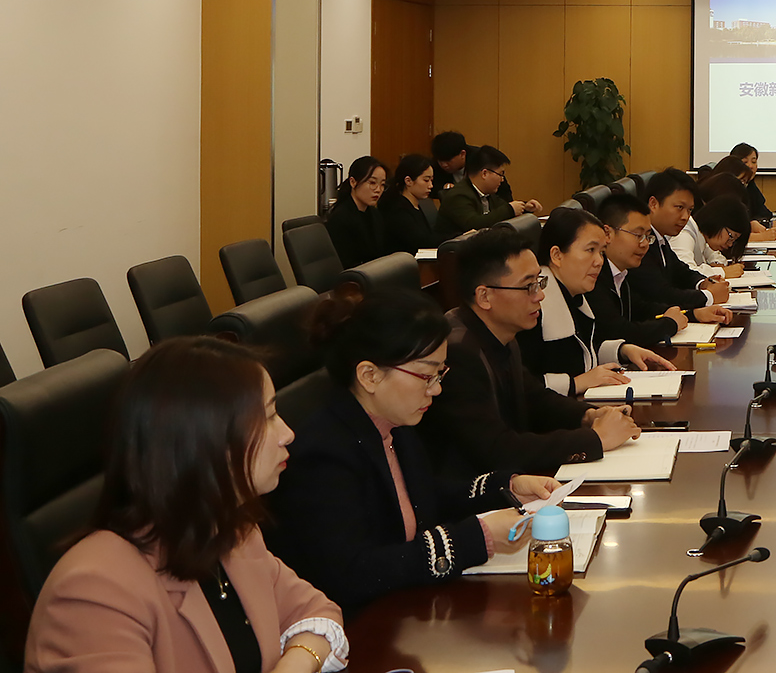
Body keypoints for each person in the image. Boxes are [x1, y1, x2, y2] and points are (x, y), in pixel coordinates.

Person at [25, 336, 348, 673]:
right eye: (267, 416)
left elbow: (318, 614)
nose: (287, 433)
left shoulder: (233, 531)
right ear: (205, 441)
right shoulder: (94, 592)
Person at [266, 290, 561, 616]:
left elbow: (422, 497)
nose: (436, 388)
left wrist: (507, 486)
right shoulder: (323, 454)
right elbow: (352, 573)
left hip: (406, 609)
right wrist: (477, 538)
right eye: (426, 375)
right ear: (369, 375)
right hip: (363, 625)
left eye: (440, 373)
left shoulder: (394, 424)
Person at [416, 226, 639, 478]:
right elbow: (496, 450)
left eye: (539, 282)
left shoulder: (500, 333)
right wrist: (595, 439)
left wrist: (589, 415)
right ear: (484, 296)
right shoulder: (456, 352)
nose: (540, 295)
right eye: (528, 286)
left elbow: (534, 398)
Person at [517, 206, 677, 396]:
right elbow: (520, 383)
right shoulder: (534, 305)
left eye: (601, 252)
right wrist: (575, 383)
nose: (599, 261)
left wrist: (623, 350)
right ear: (557, 255)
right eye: (590, 250)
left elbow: (580, 352)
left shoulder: (574, 292)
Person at [590, 195, 691, 348]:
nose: (645, 244)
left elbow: (640, 309)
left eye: (647, 236)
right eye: (638, 235)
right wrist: (670, 324)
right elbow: (619, 331)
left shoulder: (620, 273)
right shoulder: (593, 275)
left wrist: (691, 314)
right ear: (607, 234)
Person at [637, 168, 734, 316]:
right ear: (653, 204)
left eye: (690, 210)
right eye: (679, 208)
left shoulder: (659, 237)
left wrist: (703, 283)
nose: (685, 217)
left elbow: (681, 272)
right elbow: (660, 294)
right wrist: (708, 296)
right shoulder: (640, 241)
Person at [435, 146, 543, 240]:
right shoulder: (458, 195)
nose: (502, 180)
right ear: (485, 174)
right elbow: (474, 224)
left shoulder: (488, 194)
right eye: (500, 174)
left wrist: (525, 207)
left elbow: (502, 207)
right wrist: (510, 209)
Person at [325, 156, 390, 268]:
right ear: (353, 182)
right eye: (372, 183)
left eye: (382, 184)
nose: (378, 189)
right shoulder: (341, 218)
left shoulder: (374, 213)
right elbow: (347, 264)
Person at [377, 153, 437, 257]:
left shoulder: (415, 205)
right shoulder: (398, 210)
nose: (430, 185)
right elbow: (421, 241)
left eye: (431, 180)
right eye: (426, 180)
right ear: (408, 181)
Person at [674, 195, 751, 274]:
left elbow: (716, 257)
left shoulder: (703, 237)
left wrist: (716, 265)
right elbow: (683, 272)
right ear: (717, 221)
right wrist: (722, 272)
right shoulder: (684, 234)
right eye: (731, 236)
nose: (730, 244)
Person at [728, 143, 776, 238]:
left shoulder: (750, 185)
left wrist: (766, 223)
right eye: (745, 162)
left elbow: (764, 213)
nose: (750, 166)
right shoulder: (728, 189)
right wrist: (762, 231)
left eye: (754, 162)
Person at [427, 131, 467, 201]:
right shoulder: (433, 165)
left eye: (448, 160)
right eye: (440, 161)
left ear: (462, 154)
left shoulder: (479, 161)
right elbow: (431, 189)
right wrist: (444, 188)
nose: (444, 165)